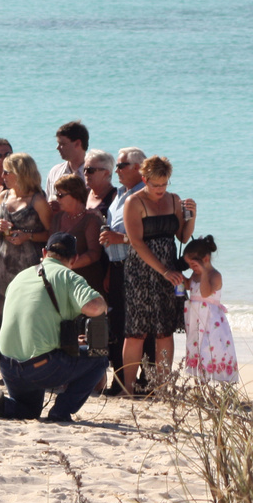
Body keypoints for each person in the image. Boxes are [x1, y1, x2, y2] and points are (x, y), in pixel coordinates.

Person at [0, 233, 109, 424]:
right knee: (99, 360)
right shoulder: (68, 275)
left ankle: (3, 406)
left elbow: (34, 319)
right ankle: (60, 412)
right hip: (41, 366)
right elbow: (95, 307)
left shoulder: (21, 276)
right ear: (75, 259)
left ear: (44, 252)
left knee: (29, 411)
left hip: (7, 365)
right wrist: (104, 304)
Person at [120, 155, 197, 395]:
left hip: (168, 270)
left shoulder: (174, 200)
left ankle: (163, 387)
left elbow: (183, 237)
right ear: (144, 179)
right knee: (137, 331)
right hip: (141, 270)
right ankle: (128, 388)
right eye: (155, 185)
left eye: (164, 184)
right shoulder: (134, 202)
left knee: (165, 329)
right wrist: (163, 270)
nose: (160, 189)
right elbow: (137, 243)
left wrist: (192, 217)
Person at [0, 152, 51, 327]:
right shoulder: (3, 196)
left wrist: (28, 236)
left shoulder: (38, 200)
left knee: (27, 316)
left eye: (6, 172)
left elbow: (51, 233)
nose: (2, 176)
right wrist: (0, 229)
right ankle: (6, 354)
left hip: (28, 265)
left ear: (20, 174)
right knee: (4, 317)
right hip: (2, 264)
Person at [99, 147, 146, 389]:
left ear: (138, 168)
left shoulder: (144, 195)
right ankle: (120, 380)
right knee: (118, 324)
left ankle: (146, 381)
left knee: (139, 326)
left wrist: (121, 239)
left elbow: (148, 237)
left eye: (121, 166)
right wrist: (109, 268)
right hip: (116, 267)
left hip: (137, 267)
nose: (116, 170)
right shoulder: (119, 194)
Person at [181, 236, 239, 385]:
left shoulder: (214, 275)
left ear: (205, 259)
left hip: (210, 321)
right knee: (196, 348)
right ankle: (200, 383)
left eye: (193, 265)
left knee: (211, 349)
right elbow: (189, 286)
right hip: (195, 319)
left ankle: (221, 383)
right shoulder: (195, 274)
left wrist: (204, 272)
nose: (191, 268)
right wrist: (180, 278)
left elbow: (205, 293)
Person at [51, 174, 106, 293]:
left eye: (60, 195)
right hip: (60, 280)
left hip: (84, 282)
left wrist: (67, 265)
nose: (57, 199)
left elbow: (94, 253)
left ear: (75, 195)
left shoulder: (90, 220)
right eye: (57, 195)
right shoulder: (57, 217)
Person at [45, 121, 89, 200]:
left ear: (77, 144)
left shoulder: (93, 174)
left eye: (62, 144)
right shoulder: (55, 172)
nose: (58, 148)